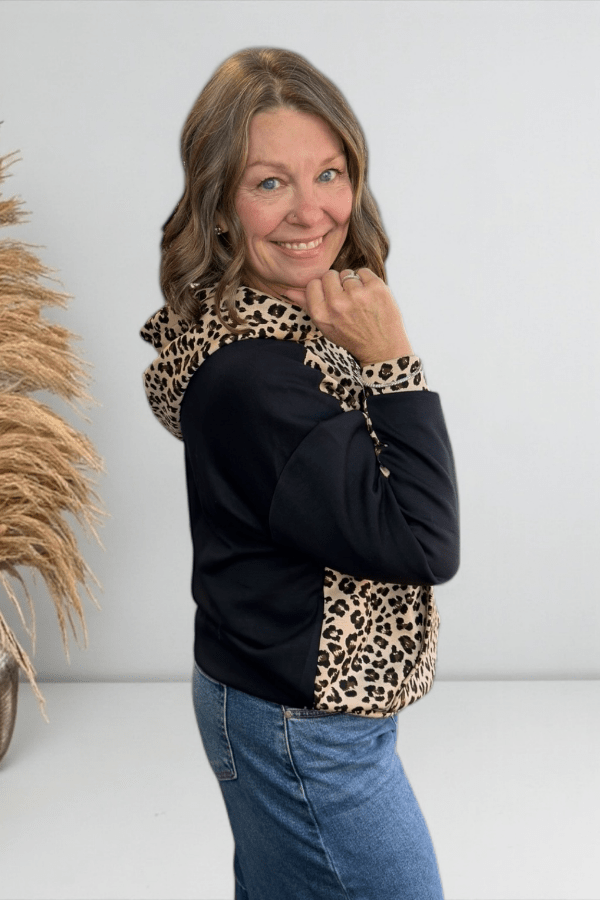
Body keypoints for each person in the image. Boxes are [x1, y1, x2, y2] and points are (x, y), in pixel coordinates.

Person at [141, 47, 459, 900]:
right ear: (217, 205)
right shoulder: (261, 378)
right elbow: (425, 543)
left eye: (330, 171)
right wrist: (395, 364)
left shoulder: (265, 327)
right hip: (304, 725)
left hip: (277, 700)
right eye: (270, 183)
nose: (312, 208)